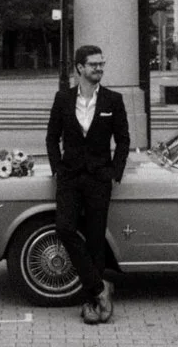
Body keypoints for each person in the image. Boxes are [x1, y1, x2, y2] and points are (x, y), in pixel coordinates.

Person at [45, 44, 130, 325]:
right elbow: (51, 137)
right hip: (69, 177)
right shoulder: (63, 99)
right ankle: (99, 288)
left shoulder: (113, 100)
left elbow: (124, 140)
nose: (99, 69)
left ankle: (90, 303)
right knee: (64, 229)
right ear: (80, 67)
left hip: (99, 178)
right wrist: (57, 168)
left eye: (102, 64)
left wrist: (114, 172)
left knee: (95, 240)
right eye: (94, 64)